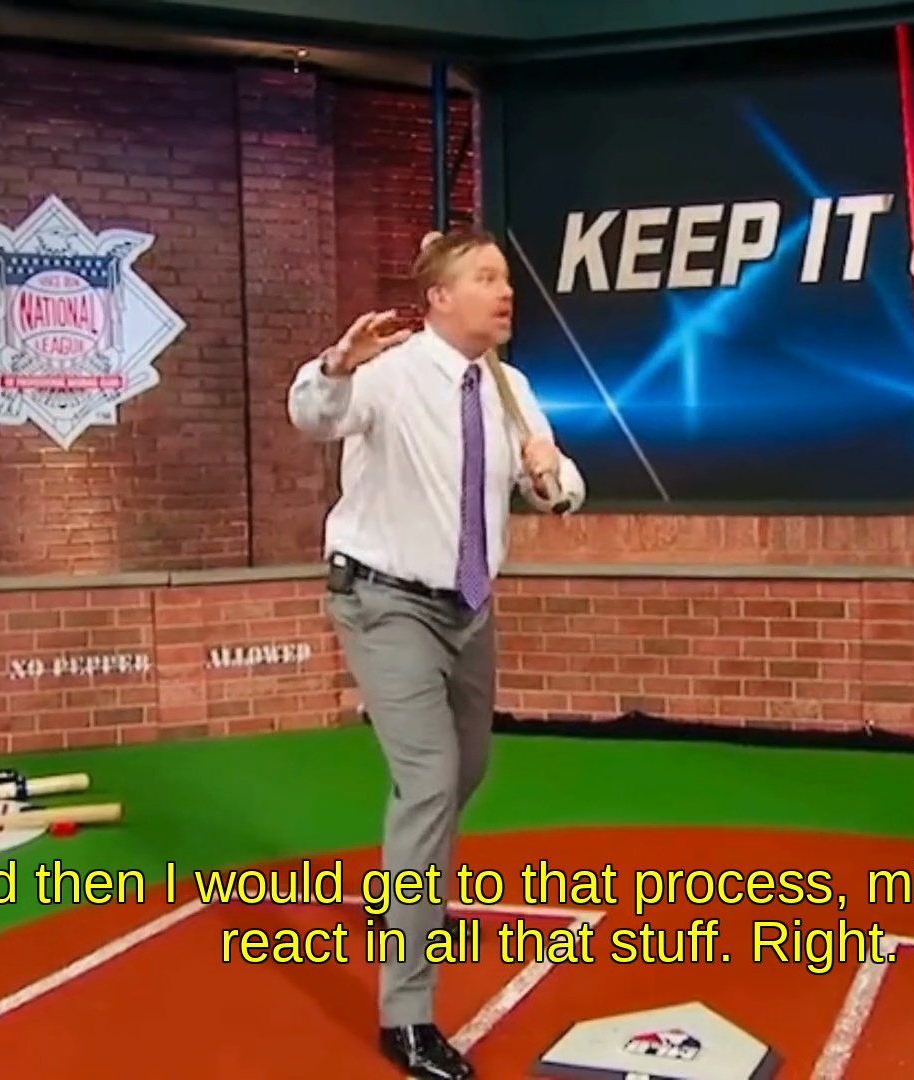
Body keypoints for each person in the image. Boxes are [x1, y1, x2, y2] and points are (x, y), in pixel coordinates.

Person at [287, 227, 585, 1080]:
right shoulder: (385, 373)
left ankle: (407, 892)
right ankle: (408, 1015)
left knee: (466, 769)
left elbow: (559, 488)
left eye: (506, 278)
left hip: (469, 608)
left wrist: (551, 475)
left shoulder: (511, 389)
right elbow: (314, 416)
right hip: (384, 601)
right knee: (427, 781)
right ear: (439, 298)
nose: (505, 291)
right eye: (485, 278)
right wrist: (336, 365)